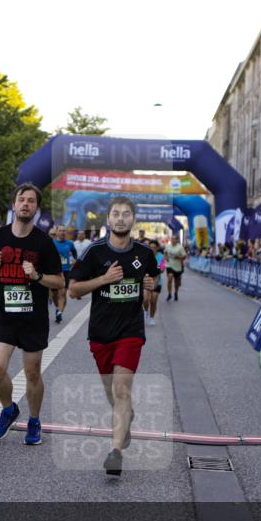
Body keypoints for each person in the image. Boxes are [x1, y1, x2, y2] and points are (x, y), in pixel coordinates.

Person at [68, 196, 160, 476]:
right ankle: (126, 417)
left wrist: (150, 285)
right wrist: (103, 280)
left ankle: (115, 451)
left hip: (131, 331)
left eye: (126, 214)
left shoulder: (145, 254)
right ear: (108, 220)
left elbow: (153, 284)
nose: (121, 218)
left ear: (134, 219)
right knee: (112, 391)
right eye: (116, 214)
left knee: (121, 389)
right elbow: (73, 290)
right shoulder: (94, 253)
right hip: (100, 333)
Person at [0, 183, 64, 445]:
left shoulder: (44, 242)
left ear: (36, 208)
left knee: (32, 373)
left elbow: (59, 282)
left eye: (31, 201)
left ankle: (35, 421)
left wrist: (37, 275)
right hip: (5, 316)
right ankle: (8, 409)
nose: (26, 204)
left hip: (34, 319)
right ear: (14, 205)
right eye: (21, 199)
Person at [51, 225, 78, 324]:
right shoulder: (52, 243)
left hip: (66, 271)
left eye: (64, 231)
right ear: (57, 232)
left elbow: (74, 253)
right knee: (54, 294)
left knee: (62, 293)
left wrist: (75, 260)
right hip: (54, 271)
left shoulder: (70, 243)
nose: (62, 232)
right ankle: (57, 307)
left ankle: (59, 313)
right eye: (60, 230)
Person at [143, 239, 164, 326]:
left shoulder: (161, 257)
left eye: (154, 247)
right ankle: (145, 312)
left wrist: (157, 271)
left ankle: (151, 318)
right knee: (146, 299)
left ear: (157, 248)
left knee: (153, 301)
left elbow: (162, 268)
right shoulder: (145, 255)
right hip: (147, 281)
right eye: (150, 247)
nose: (152, 249)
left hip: (157, 282)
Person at [164, 235, 187, 301]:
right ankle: (169, 294)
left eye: (174, 239)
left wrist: (178, 257)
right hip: (169, 265)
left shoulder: (180, 247)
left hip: (177, 267)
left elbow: (184, 256)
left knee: (176, 282)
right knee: (170, 278)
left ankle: (176, 293)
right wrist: (166, 257)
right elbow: (165, 252)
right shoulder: (168, 246)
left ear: (177, 240)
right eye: (172, 239)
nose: (173, 240)